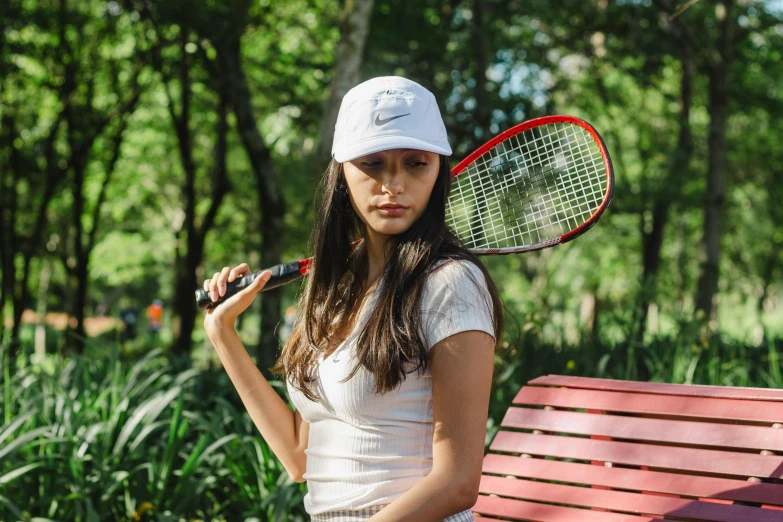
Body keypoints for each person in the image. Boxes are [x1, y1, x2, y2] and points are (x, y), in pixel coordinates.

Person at [202, 76, 504, 522]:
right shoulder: (333, 293)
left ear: (438, 170)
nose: (393, 184)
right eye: (373, 163)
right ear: (341, 173)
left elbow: (457, 482)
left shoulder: (451, 283)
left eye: (416, 163)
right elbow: (300, 458)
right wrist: (222, 334)